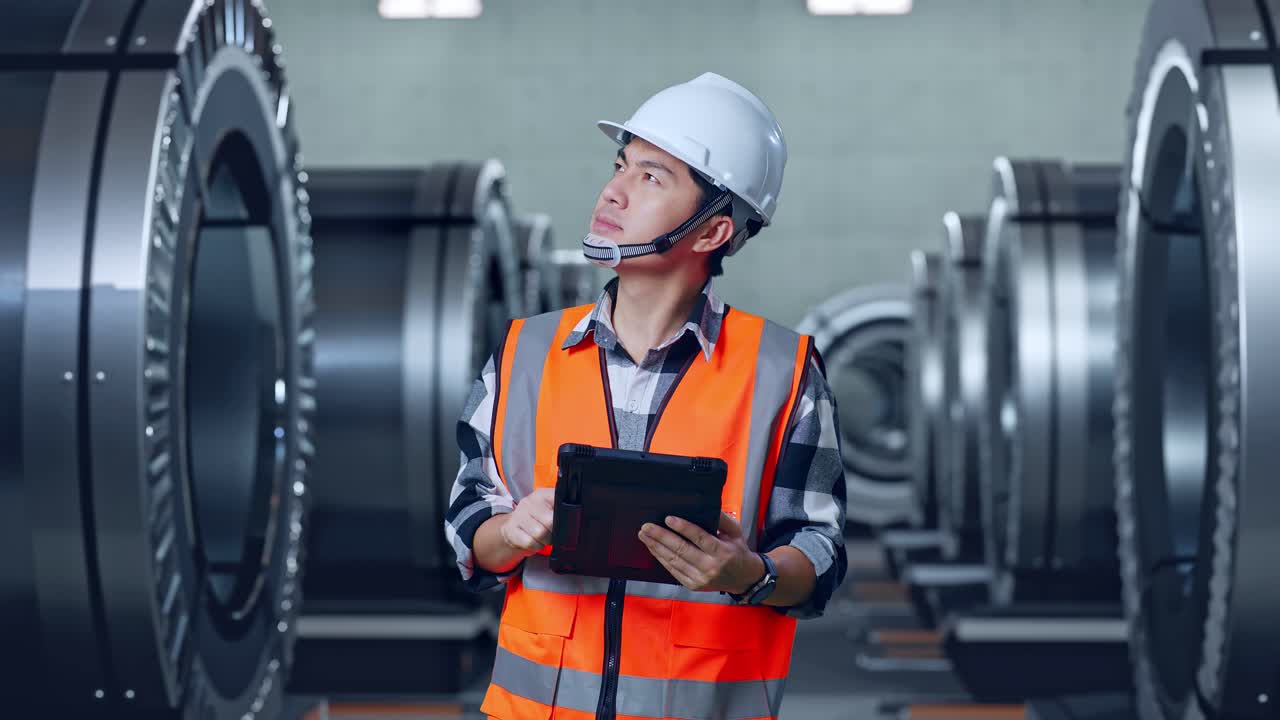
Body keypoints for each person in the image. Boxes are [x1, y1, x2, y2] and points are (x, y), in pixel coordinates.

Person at [444, 72, 847, 720]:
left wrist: (747, 573)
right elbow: (469, 532)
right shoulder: (523, 354)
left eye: (651, 178)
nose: (613, 190)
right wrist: (509, 532)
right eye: (621, 165)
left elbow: (820, 556)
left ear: (713, 232)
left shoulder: (784, 372)